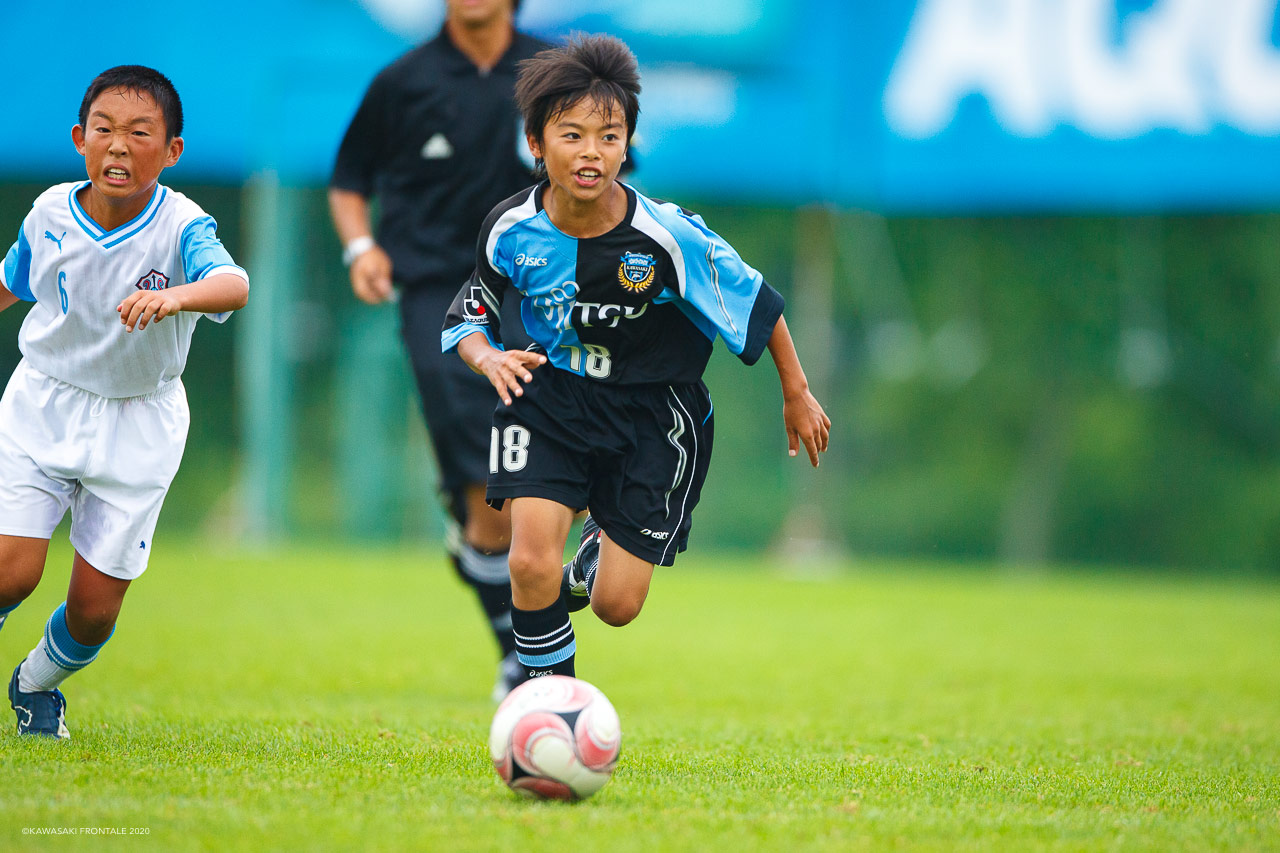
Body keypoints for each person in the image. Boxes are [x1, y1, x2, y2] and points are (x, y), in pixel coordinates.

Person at [441, 34, 831, 681]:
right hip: (549, 397)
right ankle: (550, 705)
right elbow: (470, 315)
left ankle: (594, 556)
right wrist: (488, 359)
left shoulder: (666, 237)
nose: (591, 152)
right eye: (572, 135)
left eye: (609, 136)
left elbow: (756, 301)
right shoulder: (509, 229)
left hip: (653, 414)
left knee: (616, 605)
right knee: (530, 562)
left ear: (627, 147)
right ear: (536, 143)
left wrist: (796, 391)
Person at [0, 66, 250, 737]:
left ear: (171, 152)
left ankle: (34, 683)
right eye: (104, 129)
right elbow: (13, 280)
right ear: (79, 138)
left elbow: (233, 284)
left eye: (140, 133)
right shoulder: (50, 212)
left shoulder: (183, 223)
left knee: (94, 612)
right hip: (42, 402)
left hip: (140, 420)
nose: (118, 145)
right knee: (11, 571)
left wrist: (176, 296)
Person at [328, 0, 552, 700]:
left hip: (540, 290)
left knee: (551, 485)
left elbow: (607, 168)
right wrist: (361, 248)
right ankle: (521, 653)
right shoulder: (403, 81)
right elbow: (349, 180)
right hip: (437, 296)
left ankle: (529, 644)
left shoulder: (555, 72)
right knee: (487, 505)